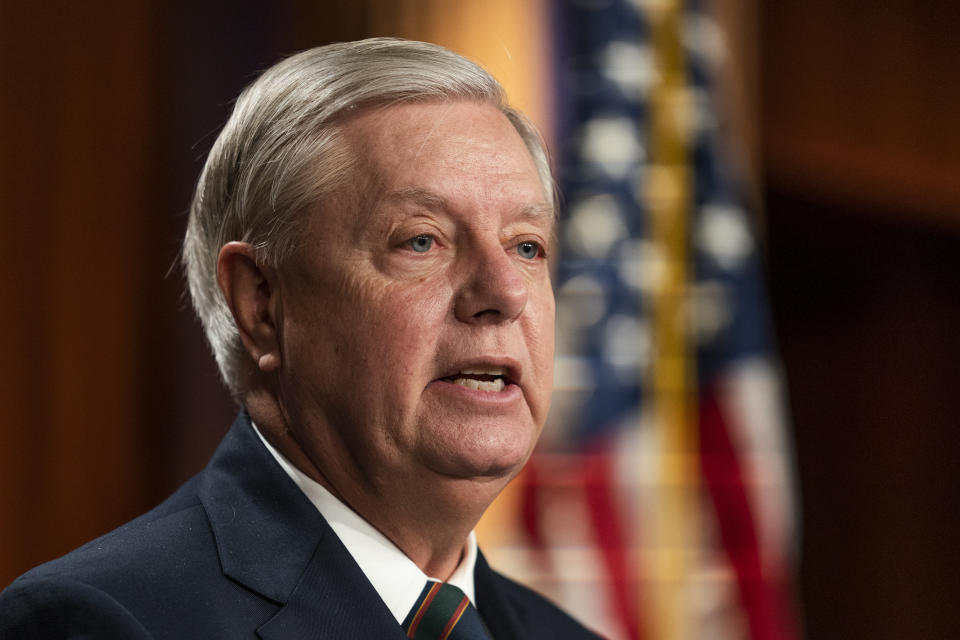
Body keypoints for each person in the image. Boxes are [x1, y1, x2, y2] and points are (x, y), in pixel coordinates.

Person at [0, 38, 601, 639]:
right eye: (421, 240)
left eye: (527, 246)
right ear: (261, 302)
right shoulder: (101, 623)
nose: (504, 291)